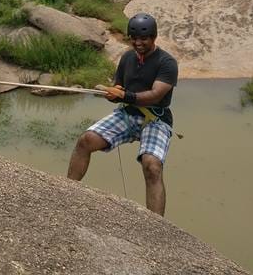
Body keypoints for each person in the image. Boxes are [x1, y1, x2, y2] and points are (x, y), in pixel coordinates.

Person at [67, 13, 178, 215]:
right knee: (86, 140)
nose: (138, 43)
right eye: (134, 38)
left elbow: (155, 95)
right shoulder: (127, 58)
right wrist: (112, 93)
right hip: (128, 113)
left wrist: (124, 95)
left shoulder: (167, 63)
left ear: (154, 37)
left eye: (143, 38)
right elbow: (120, 85)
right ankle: (66, 191)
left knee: (152, 166)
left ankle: (158, 226)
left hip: (156, 119)